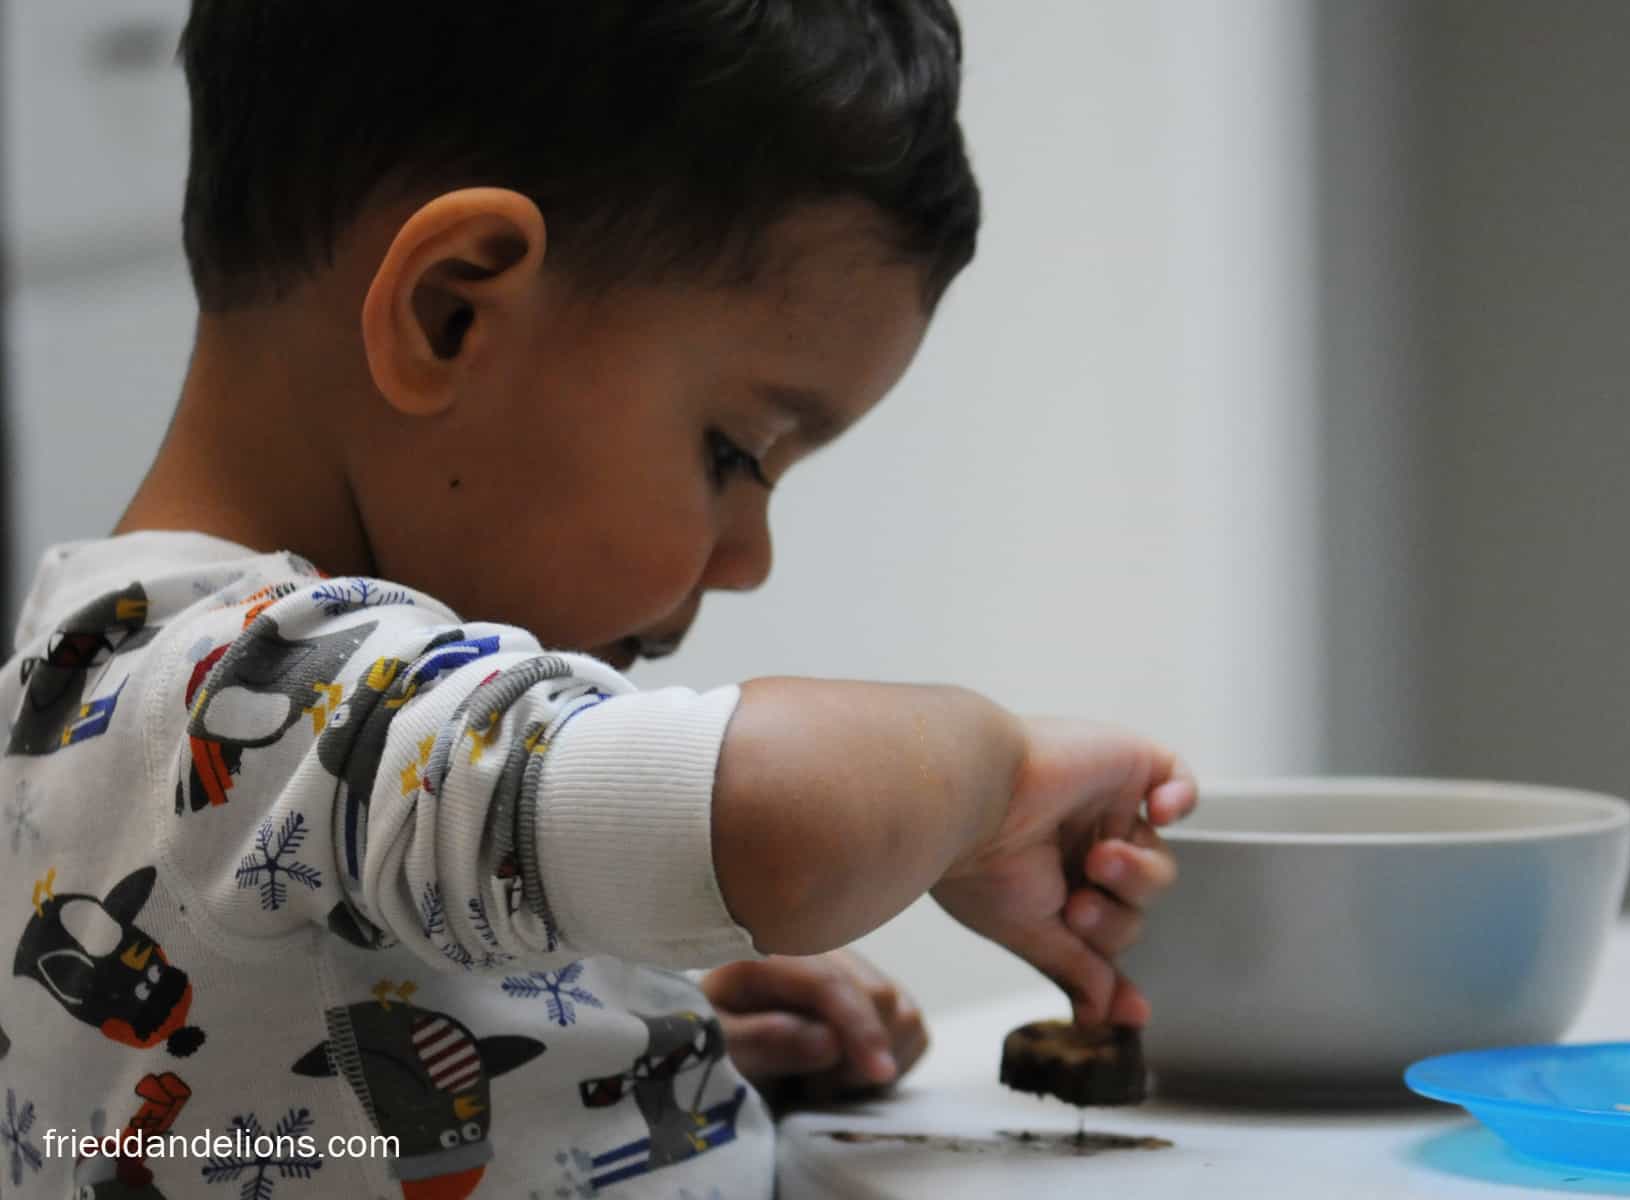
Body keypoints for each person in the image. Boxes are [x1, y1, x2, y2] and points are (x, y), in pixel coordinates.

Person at [0, 2, 1194, 1196]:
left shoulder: (96, 689)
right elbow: (779, 823)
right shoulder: (265, 686)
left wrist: (618, 1028)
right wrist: (991, 777)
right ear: (450, 312)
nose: (749, 559)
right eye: (736, 452)